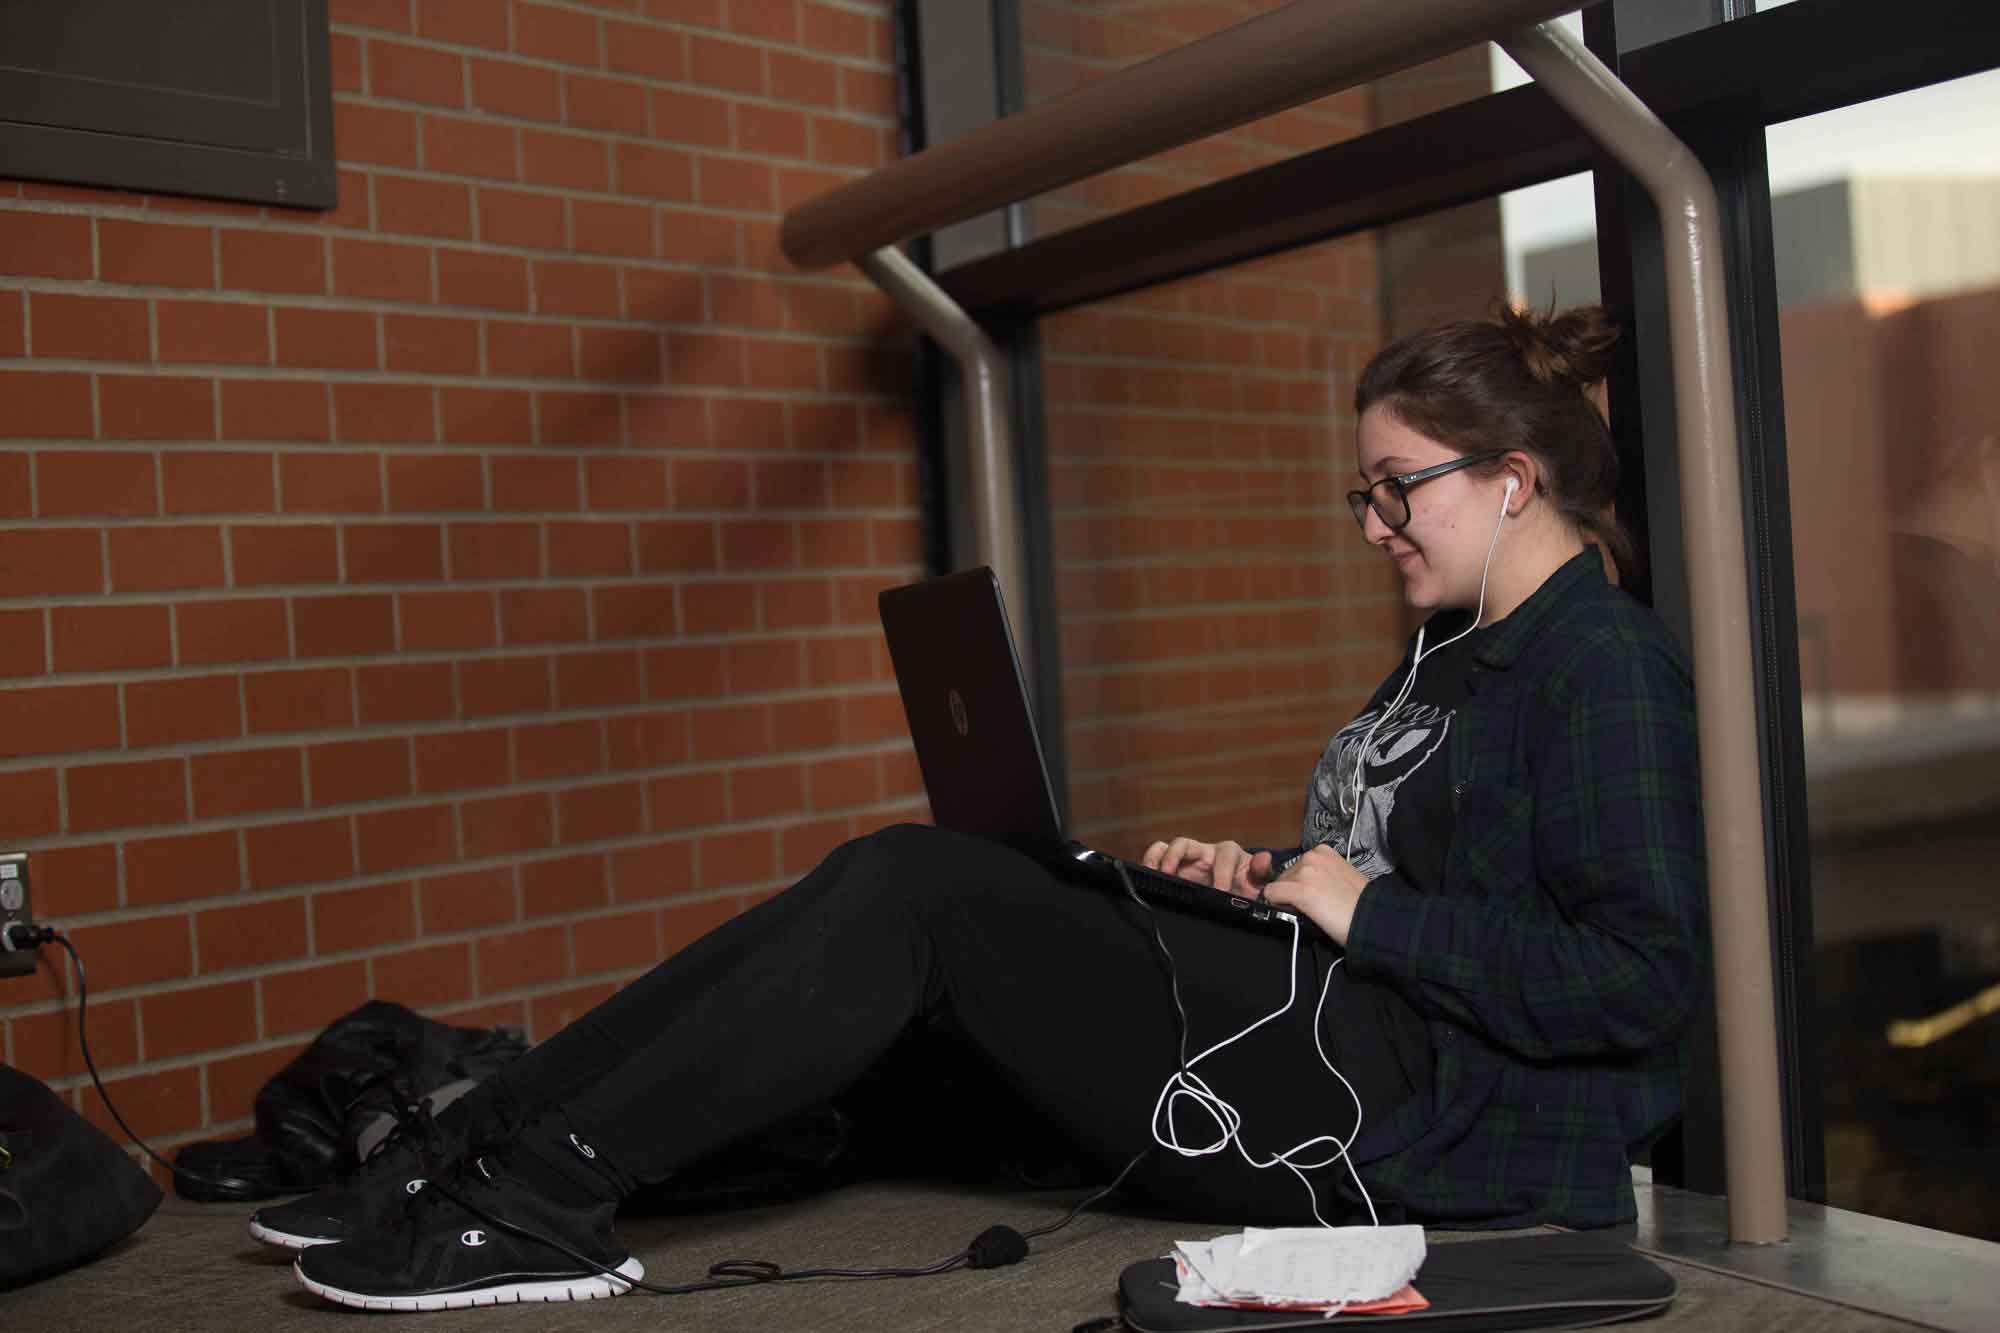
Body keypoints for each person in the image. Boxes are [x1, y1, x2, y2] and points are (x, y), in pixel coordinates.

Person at [258, 304, 1709, 1312]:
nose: (1376, 524)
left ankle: (534, 1193)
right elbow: (1401, 874)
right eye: (1365, 493)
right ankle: (473, 1151)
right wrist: (1263, 877)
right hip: (1332, 1017)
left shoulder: (1606, 668)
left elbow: (1640, 982)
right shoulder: (1450, 653)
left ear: (1515, 481)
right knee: (912, 968)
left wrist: (1358, 904)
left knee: (920, 887)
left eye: (1398, 489)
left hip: (1409, 1108)